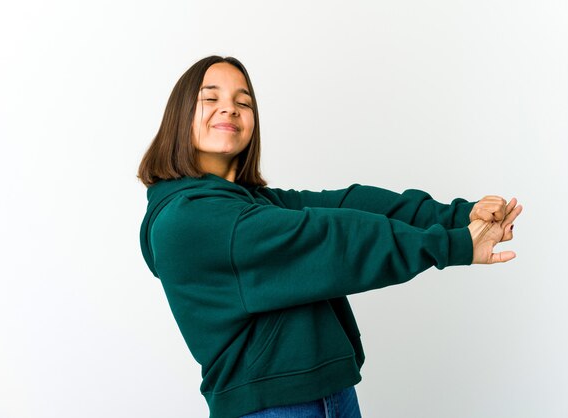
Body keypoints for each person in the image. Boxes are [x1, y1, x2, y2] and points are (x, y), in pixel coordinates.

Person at [137, 55, 523, 418]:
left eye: (245, 101)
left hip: (326, 395)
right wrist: (452, 245)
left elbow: (348, 203)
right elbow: (330, 238)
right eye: (211, 98)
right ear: (180, 116)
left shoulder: (249, 204)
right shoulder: (191, 219)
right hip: (275, 406)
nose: (230, 108)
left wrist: (458, 216)